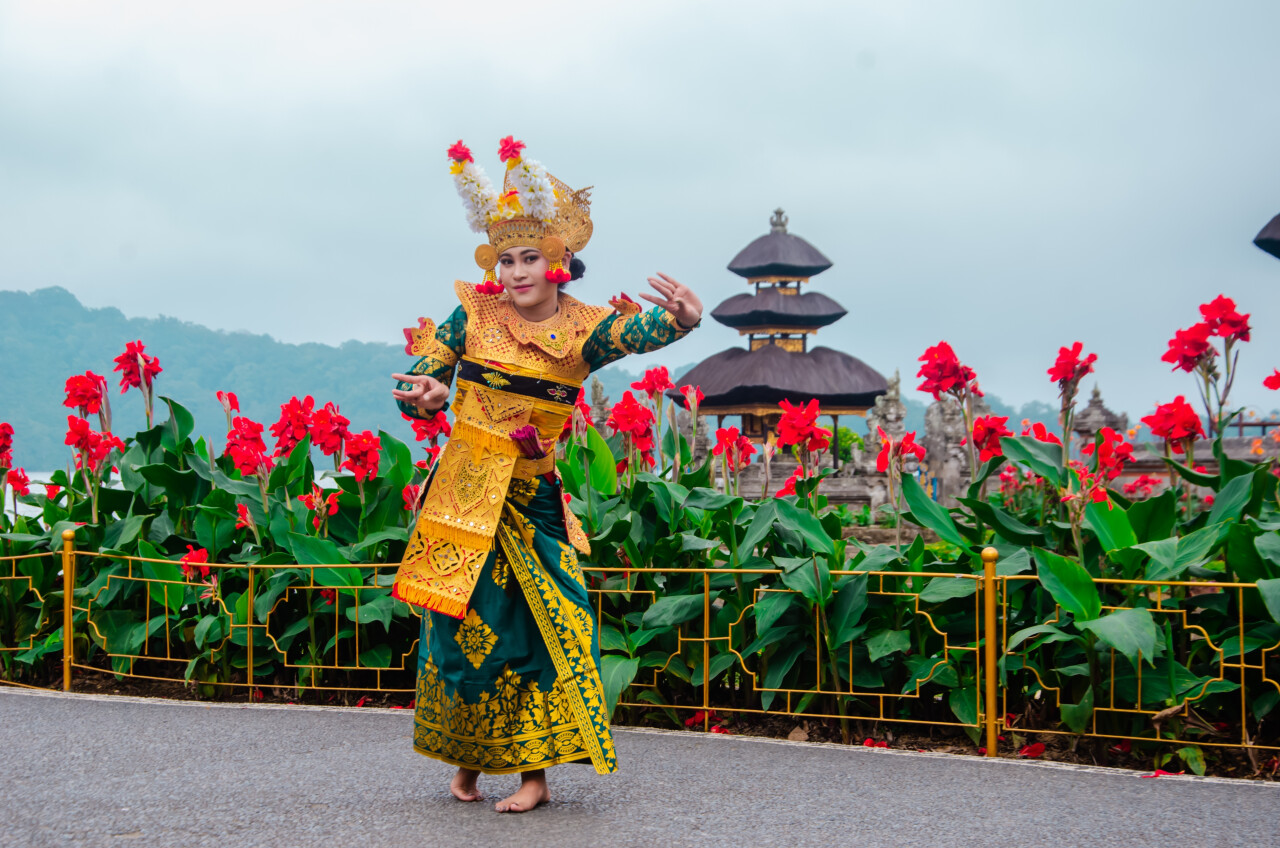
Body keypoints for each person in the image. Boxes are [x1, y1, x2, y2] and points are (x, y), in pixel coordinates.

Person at [389, 137, 702, 813]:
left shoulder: (585, 331)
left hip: (531, 500)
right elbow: (418, 377)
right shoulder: (472, 314)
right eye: (506, 259)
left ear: (558, 262)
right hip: (464, 494)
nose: (516, 270)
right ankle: (467, 759)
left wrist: (683, 320)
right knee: (457, 630)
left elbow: (642, 332)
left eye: (529, 257)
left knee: (539, 630)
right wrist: (424, 395)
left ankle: (534, 776)